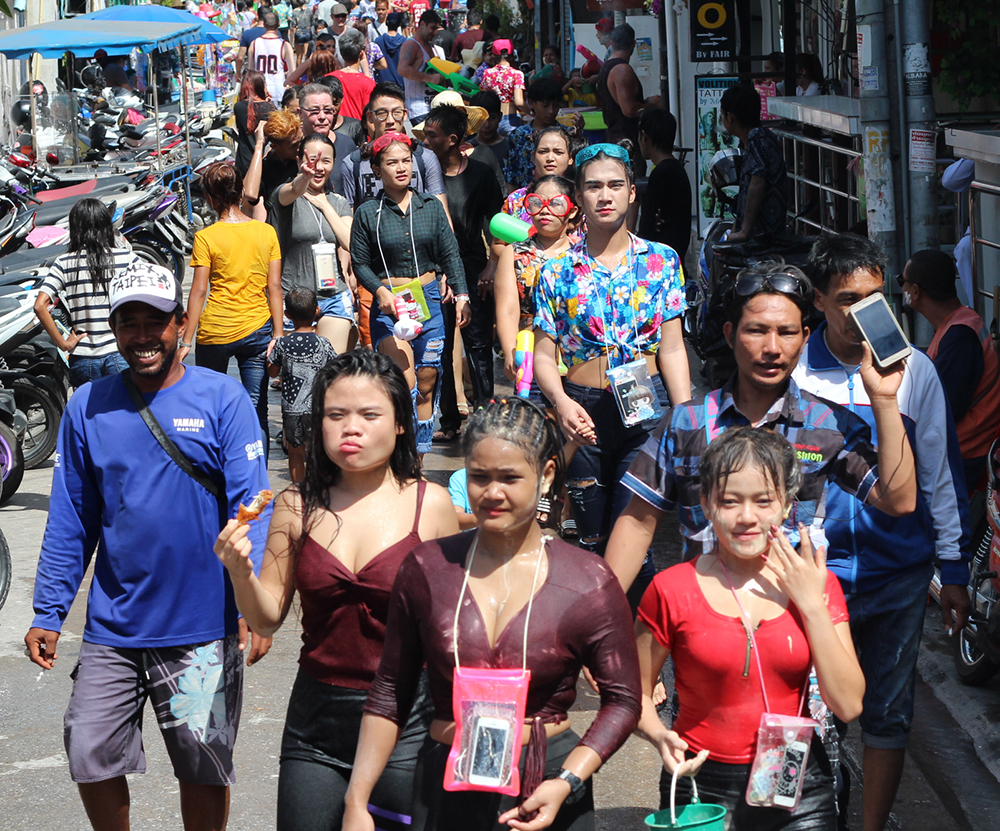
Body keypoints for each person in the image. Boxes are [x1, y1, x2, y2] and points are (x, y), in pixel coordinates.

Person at [25, 261, 273, 831]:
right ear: (113, 329)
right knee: (88, 749)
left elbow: (252, 508)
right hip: (113, 628)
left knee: (202, 765)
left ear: (180, 322)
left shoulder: (224, 400)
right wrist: (49, 609)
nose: (142, 337)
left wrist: (250, 604)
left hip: (202, 629)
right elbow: (72, 516)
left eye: (154, 321)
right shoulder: (87, 406)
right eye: (127, 322)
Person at [341, 397, 642, 831]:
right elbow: (391, 689)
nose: (492, 493)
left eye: (510, 478)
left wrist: (568, 780)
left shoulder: (588, 581)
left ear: (547, 475)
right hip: (446, 782)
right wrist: (357, 799)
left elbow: (623, 700)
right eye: (479, 477)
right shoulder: (428, 568)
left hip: (547, 782)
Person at [218, 349, 459, 830]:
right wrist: (239, 571)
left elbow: (454, 631)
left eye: (370, 415)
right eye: (335, 414)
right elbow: (267, 619)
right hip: (316, 726)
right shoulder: (294, 504)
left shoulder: (429, 505)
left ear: (399, 425)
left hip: (408, 723)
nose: (351, 427)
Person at [604, 263, 918, 605]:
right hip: (702, 623)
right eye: (756, 330)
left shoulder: (828, 424)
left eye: (786, 332)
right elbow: (637, 523)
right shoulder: (686, 422)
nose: (772, 347)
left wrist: (885, 400)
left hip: (794, 626)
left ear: (805, 338)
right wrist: (597, 619)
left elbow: (898, 501)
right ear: (729, 334)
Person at [793, 233, 971, 831]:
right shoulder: (791, 367)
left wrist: (954, 568)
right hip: (816, 576)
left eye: (875, 296)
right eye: (847, 298)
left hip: (899, 575)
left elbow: (939, 472)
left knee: (889, 715)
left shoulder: (915, 370)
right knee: (813, 716)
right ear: (818, 300)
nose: (864, 312)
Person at [635, 427, 865, 826]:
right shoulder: (670, 589)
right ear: (705, 504)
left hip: (795, 780)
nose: (747, 518)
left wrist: (810, 605)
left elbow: (847, 703)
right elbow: (632, 693)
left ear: (786, 505)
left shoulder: (818, 585)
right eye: (729, 501)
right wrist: (659, 735)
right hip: (698, 782)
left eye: (763, 501)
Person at [532, 143, 691, 603]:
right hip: (581, 414)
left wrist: (684, 418)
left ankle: (638, 659)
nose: (606, 195)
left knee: (633, 538)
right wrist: (561, 403)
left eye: (616, 185)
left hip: (644, 412)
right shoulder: (557, 269)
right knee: (592, 540)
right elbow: (544, 356)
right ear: (578, 197)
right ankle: (598, 639)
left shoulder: (661, 261)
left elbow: (674, 349)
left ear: (632, 194)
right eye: (594, 186)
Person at [349, 132, 469, 454]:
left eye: (406, 160)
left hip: (428, 299)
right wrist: (377, 290)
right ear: (377, 169)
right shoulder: (367, 213)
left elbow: (451, 255)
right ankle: (397, 450)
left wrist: (461, 295)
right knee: (404, 382)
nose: (401, 168)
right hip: (389, 305)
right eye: (392, 162)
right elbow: (359, 262)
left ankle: (418, 455)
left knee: (428, 378)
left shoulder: (430, 206)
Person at [186, 162, 284, 461]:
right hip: (258, 330)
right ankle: (258, 484)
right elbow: (275, 287)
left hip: (215, 332)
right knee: (257, 410)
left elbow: (199, 291)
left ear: (210, 199)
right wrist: (278, 334)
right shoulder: (265, 233)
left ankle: (216, 472)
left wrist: (185, 340)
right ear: (242, 192)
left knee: (210, 408)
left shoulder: (207, 237)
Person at [421, 104, 504, 438]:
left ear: (453, 140)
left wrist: (492, 265)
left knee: (479, 346)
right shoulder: (422, 176)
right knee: (439, 346)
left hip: (472, 268)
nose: (424, 141)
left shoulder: (481, 175)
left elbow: (496, 226)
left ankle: (486, 420)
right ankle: (449, 420)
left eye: (431, 136)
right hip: (432, 270)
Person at [900, 248, 1000, 493]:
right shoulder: (963, 322)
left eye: (902, 283)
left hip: (966, 459)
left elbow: (941, 412)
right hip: (966, 453)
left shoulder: (959, 337)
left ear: (915, 291)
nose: (901, 290)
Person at [34, 198, 137, 388]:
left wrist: (64, 344)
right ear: (106, 225)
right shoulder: (127, 259)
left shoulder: (64, 263)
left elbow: (40, 306)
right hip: (120, 351)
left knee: (89, 414)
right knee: (124, 413)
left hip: (83, 356)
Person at [272, 133, 356, 354]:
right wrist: (304, 178)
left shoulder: (339, 202)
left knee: (331, 370)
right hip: (295, 300)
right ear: (300, 162)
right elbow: (292, 191)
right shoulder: (285, 195)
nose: (318, 167)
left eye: (326, 161)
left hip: (334, 296)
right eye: (312, 160)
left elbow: (349, 242)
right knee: (302, 372)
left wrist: (325, 205)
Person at [495, 174, 577, 385]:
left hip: (578, 359)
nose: (544, 210)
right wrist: (510, 350)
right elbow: (507, 310)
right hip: (530, 356)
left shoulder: (583, 253)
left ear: (573, 210)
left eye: (556, 203)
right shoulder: (513, 254)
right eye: (536, 202)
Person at [340, 82, 448, 211]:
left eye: (397, 112)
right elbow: (349, 216)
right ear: (370, 117)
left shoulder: (425, 158)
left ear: (405, 114)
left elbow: (441, 211)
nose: (390, 120)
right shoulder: (353, 163)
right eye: (382, 114)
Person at [267, 287, 337, 482]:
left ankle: (298, 488)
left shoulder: (282, 344)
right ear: (317, 310)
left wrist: (269, 358)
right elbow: (335, 371)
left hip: (292, 409)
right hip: (318, 409)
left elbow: (272, 372)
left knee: (295, 452)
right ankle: (319, 488)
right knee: (318, 451)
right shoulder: (324, 344)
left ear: (287, 315)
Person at [719, 82, 787, 246]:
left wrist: (744, 231)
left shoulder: (757, 139)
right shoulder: (759, 138)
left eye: (722, 115)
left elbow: (757, 184)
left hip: (763, 237)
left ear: (730, 117)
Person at [596, 24, 659, 168]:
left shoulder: (606, 66)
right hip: (626, 143)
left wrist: (644, 102)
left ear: (612, 43)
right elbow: (629, 109)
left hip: (614, 139)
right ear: (633, 44)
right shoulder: (622, 70)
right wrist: (652, 105)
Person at [637, 107, 691, 263]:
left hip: (660, 260)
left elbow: (647, 224)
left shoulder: (661, 172)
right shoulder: (676, 169)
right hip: (675, 254)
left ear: (645, 137)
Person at [504, 77, 570, 192]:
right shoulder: (518, 135)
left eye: (555, 106)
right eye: (545, 106)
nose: (551, 111)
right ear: (532, 103)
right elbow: (511, 173)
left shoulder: (567, 135)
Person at [300, 83, 359, 196]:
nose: (322, 117)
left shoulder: (347, 144)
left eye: (328, 111)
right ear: (300, 113)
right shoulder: (290, 146)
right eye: (315, 111)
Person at [243, 107, 305, 213]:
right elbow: (249, 194)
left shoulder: (306, 158)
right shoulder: (266, 167)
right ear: (275, 146)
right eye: (294, 145)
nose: (300, 148)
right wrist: (259, 145)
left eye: (301, 140)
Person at [397, 10, 445, 126]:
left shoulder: (434, 47)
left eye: (437, 29)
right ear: (422, 24)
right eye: (433, 28)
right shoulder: (411, 44)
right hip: (420, 109)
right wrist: (429, 78)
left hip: (435, 107)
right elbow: (402, 69)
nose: (435, 33)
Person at [234, 70, 277, 176]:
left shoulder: (238, 107)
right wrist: (267, 101)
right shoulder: (270, 109)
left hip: (243, 161)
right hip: (262, 161)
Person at [480, 39, 527, 136]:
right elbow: (519, 102)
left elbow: (485, 99)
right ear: (512, 55)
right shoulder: (517, 74)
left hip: (493, 120)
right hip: (512, 119)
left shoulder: (487, 73)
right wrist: (532, 113)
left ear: (493, 55)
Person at [248, 11, 295, 105]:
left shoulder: (254, 43)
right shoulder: (285, 45)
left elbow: (250, 71)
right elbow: (292, 71)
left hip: (260, 88)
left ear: (264, 24)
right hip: (279, 89)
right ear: (279, 24)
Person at [333, 28, 378, 119]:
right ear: (361, 54)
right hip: (359, 129)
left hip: (336, 130)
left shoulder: (330, 78)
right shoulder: (368, 83)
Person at [468, 89, 508, 175]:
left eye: (492, 118)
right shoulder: (467, 150)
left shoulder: (510, 147)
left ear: (500, 117)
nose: (487, 125)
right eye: (481, 120)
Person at [235, 4, 270, 76]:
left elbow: (240, 57)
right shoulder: (276, 34)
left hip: (253, 73)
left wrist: (238, 72)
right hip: (271, 72)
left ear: (257, 16)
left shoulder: (247, 34)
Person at [375, 11, 407, 86]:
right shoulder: (405, 42)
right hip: (400, 83)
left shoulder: (378, 41)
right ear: (399, 25)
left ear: (386, 23)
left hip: (382, 83)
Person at [292, 0, 315, 64]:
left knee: (299, 56)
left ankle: (299, 70)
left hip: (299, 33)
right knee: (306, 55)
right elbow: (312, 22)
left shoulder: (295, 11)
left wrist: (294, 36)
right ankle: (306, 70)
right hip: (307, 33)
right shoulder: (309, 11)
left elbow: (294, 24)